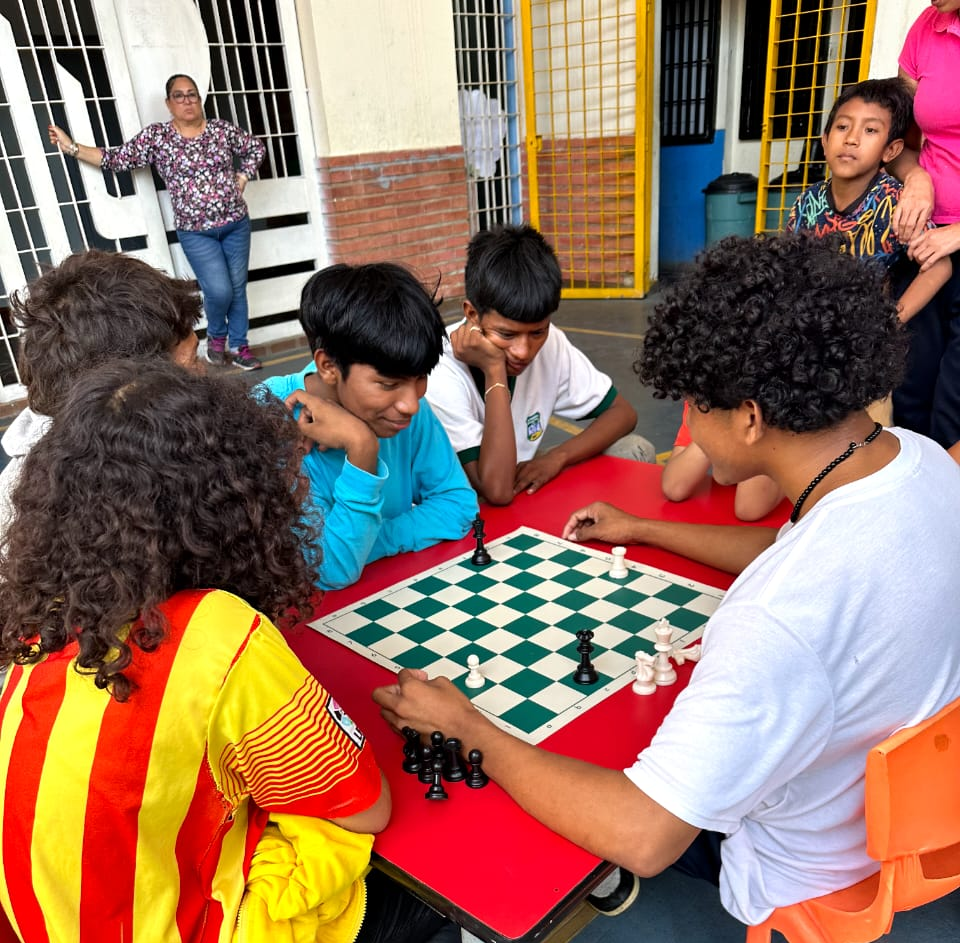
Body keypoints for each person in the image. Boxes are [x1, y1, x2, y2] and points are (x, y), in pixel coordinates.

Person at [374, 233, 960, 929]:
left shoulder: (776, 619)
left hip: (797, 860)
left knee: (550, 789)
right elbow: (789, 547)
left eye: (693, 403)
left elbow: (645, 834)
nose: (689, 427)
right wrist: (645, 529)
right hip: (905, 806)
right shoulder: (920, 463)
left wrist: (470, 727)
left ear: (748, 416)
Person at [0, 361, 455, 943]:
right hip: (180, 928)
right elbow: (365, 807)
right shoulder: (218, 631)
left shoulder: (45, 617)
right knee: (428, 908)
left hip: (47, 922)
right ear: (235, 500)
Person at [257, 262, 478, 591]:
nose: (411, 404)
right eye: (388, 384)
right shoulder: (268, 419)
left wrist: (372, 541)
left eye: (420, 379)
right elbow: (331, 569)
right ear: (328, 366)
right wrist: (362, 446)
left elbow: (458, 504)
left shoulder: (405, 409)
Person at [48, 73, 266, 371]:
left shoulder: (220, 130)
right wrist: (72, 147)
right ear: (168, 103)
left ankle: (240, 346)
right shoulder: (158, 137)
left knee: (238, 288)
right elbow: (117, 159)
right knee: (219, 291)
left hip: (236, 224)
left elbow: (256, 148)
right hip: (196, 232)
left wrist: (243, 175)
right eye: (179, 95)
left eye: (193, 94)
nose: (187, 100)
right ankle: (216, 339)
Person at [424, 224, 649, 506]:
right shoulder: (440, 369)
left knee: (635, 449)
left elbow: (623, 414)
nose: (523, 351)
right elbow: (496, 490)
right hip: (467, 497)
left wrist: (559, 457)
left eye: (537, 333)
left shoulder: (551, 341)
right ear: (472, 314)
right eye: (506, 335)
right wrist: (495, 370)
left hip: (515, 476)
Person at [0, 248, 201, 538]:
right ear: (129, 390)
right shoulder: (84, 521)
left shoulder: (79, 458)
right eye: (193, 359)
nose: (206, 374)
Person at [786, 77, 951, 326]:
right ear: (825, 140)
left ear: (891, 151)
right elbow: (790, 263)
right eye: (842, 127)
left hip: (865, 335)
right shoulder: (808, 201)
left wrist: (893, 320)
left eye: (870, 130)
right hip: (814, 325)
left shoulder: (895, 201)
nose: (851, 139)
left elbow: (940, 266)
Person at [885, 2, 960, 445]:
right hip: (924, 239)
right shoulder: (929, 25)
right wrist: (917, 180)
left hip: (949, 238)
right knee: (911, 391)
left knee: (955, 405)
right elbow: (903, 141)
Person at [661, 402, 783, 521]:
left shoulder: (767, 408)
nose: (688, 419)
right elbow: (674, 487)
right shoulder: (703, 401)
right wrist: (714, 423)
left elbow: (749, 507)